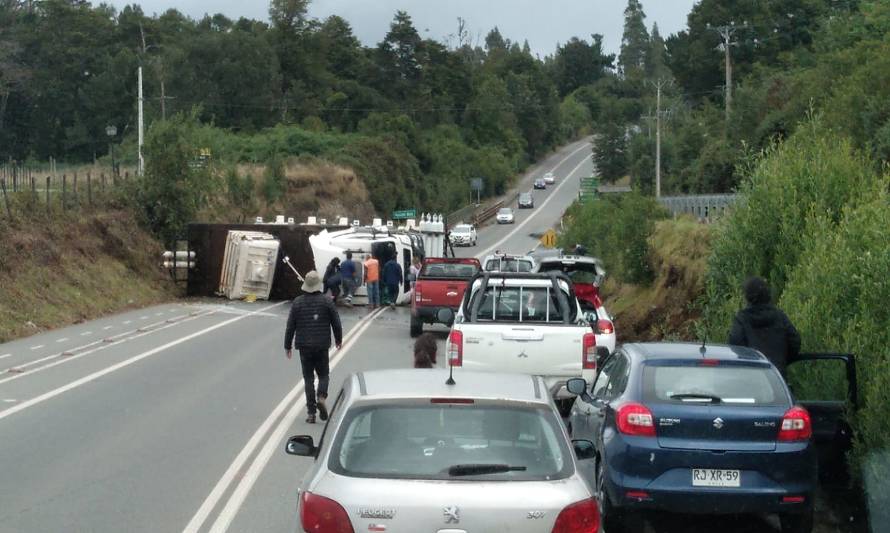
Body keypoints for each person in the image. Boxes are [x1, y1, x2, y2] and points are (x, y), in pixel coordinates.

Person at [284, 270, 343, 424]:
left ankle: (311, 413)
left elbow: (290, 326)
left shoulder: (297, 302)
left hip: (304, 346)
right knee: (323, 375)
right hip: (322, 345)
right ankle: (321, 397)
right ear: (318, 285)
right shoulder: (327, 301)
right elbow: (336, 322)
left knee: (308, 379)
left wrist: (287, 345)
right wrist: (338, 339)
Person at [728, 276, 801, 377]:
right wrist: (781, 361)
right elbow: (795, 341)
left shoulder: (742, 319)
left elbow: (735, 345)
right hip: (777, 377)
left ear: (747, 297)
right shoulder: (779, 316)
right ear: (767, 294)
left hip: (751, 376)